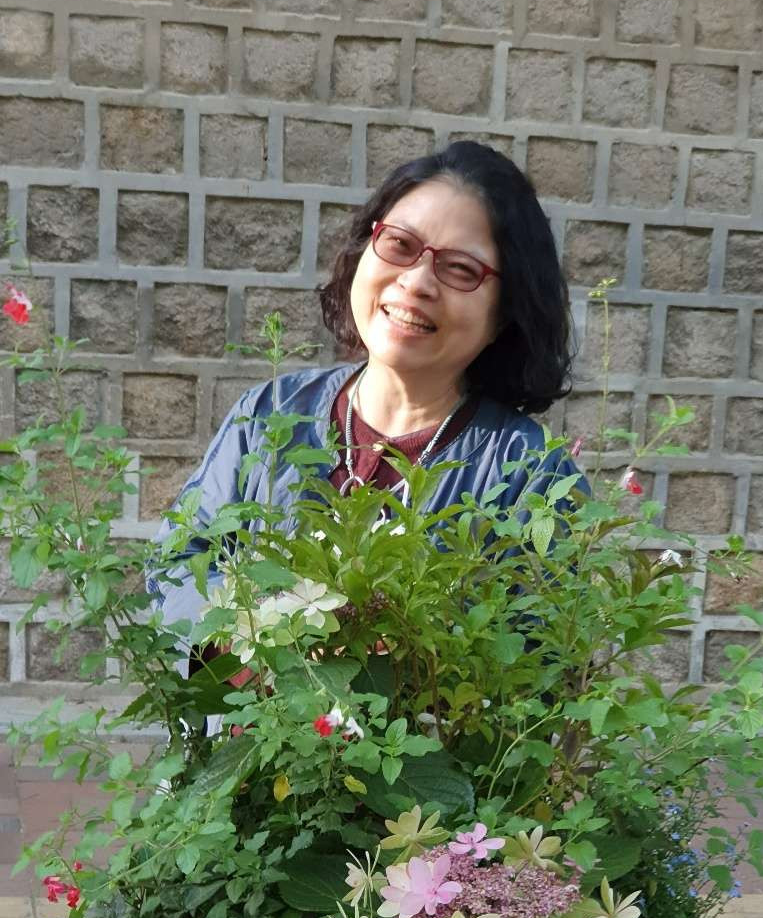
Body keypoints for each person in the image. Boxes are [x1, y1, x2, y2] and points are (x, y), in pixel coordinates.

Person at [146, 139, 583, 660]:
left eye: (461, 269)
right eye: (399, 244)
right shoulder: (269, 415)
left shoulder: (530, 476)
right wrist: (261, 640)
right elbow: (175, 566)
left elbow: (548, 665)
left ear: (505, 312)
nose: (416, 282)